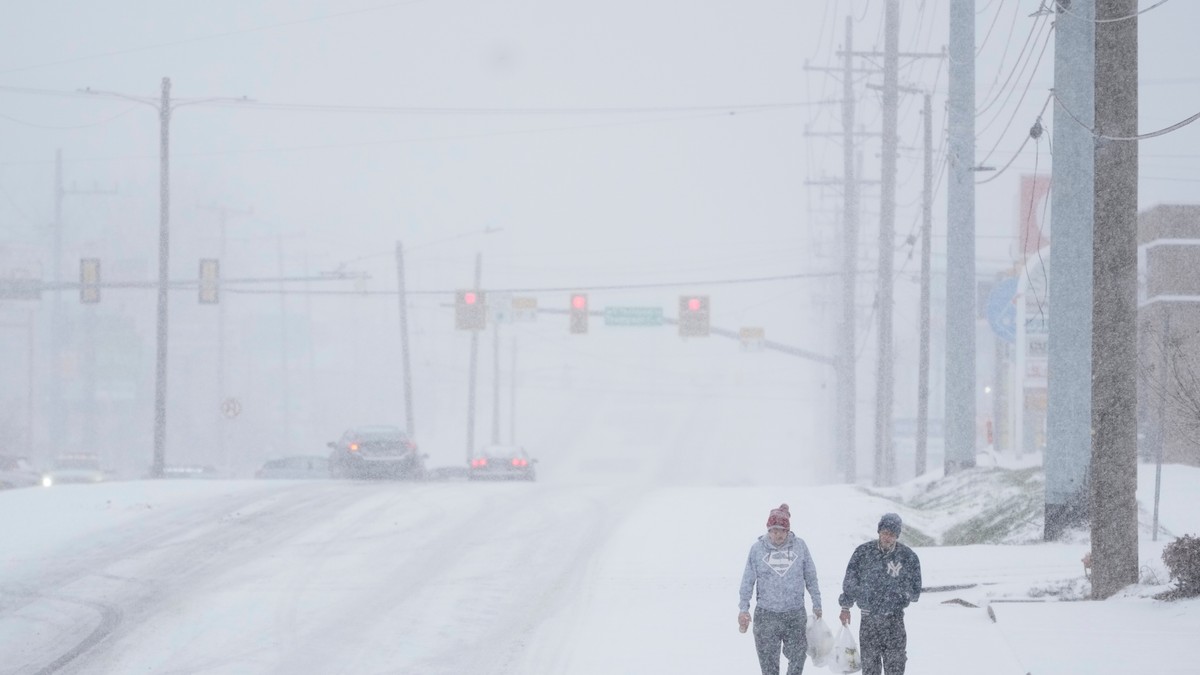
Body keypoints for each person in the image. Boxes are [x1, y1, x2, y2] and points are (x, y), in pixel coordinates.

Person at [738, 503, 823, 675]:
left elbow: (811, 576)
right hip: (766, 615)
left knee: (798, 657)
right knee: (769, 666)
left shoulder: (800, 546)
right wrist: (743, 608)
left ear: (788, 531)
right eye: (774, 530)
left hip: (794, 613)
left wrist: (817, 602)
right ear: (768, 530)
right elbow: (748, 580)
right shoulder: (757, 549)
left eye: (782, 531)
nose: (778, 535)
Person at [837, 512, 922, 675]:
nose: (887, 538)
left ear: (897, 535)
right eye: (884, 533)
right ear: (879, 532)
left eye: (892, 534)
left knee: (895, 666)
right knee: (870, 668)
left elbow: (915, 591)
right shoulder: (863, 553)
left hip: (894, 620)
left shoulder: (908, 557)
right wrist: (845, 607)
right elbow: (850, 581)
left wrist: (898, 594)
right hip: (869, 619)